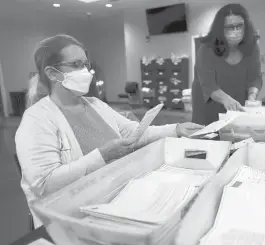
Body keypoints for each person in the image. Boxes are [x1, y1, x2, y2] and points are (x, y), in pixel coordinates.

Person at [15, 34, 203, 228]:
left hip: (114, 201)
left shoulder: (96, 105)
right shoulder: (37, 120)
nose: (86, 71)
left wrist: (176, 128)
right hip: (70, 221)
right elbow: (44, 185)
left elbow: (134, 133)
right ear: (52, 73)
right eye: (76, 64)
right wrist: (102, 155)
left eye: (86, 64)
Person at [191, 3, 263, 125]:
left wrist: (252, 96)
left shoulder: (252, 47)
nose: (236, 31)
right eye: (230, 27)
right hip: (209, 106)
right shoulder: (207, 49)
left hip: (237, 104)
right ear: (220, 29)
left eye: (239, 26)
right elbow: (208, 85)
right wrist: (226, 99)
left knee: (236, 136)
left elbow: (255, 77)